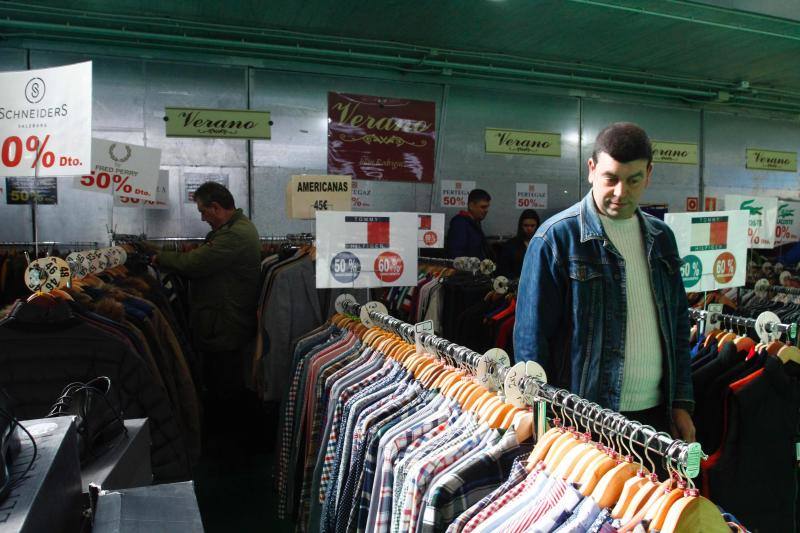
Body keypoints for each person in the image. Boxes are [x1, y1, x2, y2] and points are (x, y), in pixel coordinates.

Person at [514, 122, 695, 442]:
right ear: (591, 169)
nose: (620, 192)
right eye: (611, 179)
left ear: (649, 174)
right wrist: (540, 416)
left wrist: (681, 402)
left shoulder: (663, 239)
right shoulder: (556, 239)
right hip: (583, 418)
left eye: (634, 180)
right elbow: (532, 340)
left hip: (656, 417)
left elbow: (679, 324)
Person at [152, 182, 261, 407]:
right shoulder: (234, 229)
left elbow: (195, 263)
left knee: (224, 384)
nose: (202, 218)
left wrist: (159, 257)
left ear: (216, 207)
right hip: (223, 321)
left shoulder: (235, 234)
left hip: (225, 324)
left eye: (203, 211)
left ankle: (227, 435)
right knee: (223, 380)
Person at [446, 188, 493, 260]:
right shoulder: (460, 224)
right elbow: (456, 255)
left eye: (487, 207)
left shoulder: (475, 222)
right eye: (483, 207)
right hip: (466, 270)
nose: (486, 210)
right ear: (471, 206)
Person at [498, 209, 540, 278]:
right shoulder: (510, 246)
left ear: (537, 226)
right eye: (526, 225)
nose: (529, 228)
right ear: (521, 226)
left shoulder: (542, 245)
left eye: (532, 226)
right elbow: (503, 271)